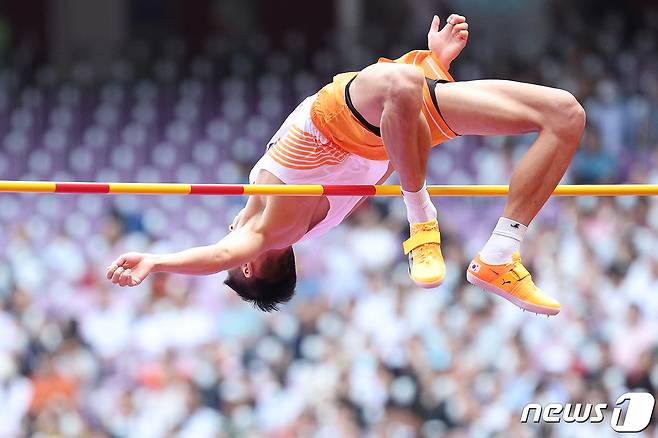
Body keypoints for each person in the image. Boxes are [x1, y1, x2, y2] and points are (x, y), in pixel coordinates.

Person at [106, 14, 585, 315]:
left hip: (392, 119)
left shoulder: (284, 220)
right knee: (404, 83)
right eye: (235, 262)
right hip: (341, 122)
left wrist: (432, 66)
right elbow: (216, 257)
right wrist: (156, 260)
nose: (227, 233)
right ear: (251, 267)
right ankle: (422, 224)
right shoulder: (272, 230)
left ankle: (500, 255)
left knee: (565, 115)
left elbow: (398, 123)